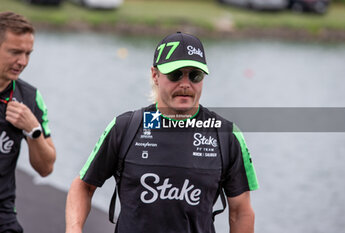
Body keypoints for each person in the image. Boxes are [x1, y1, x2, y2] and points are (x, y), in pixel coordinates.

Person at [65, 32, 258, 233]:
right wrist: (74, 229)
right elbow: (83, 186)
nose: (185, 84)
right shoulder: (125, 127)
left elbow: (240, 211)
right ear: (155, 75)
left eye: (195, 75)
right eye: (175, 74)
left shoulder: (226, 135)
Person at [0, 12, 56, 233]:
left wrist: (33, 130)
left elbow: (46, 168)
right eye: (15, 52)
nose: (22, 62)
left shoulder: (30, 97)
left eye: (27, 54)